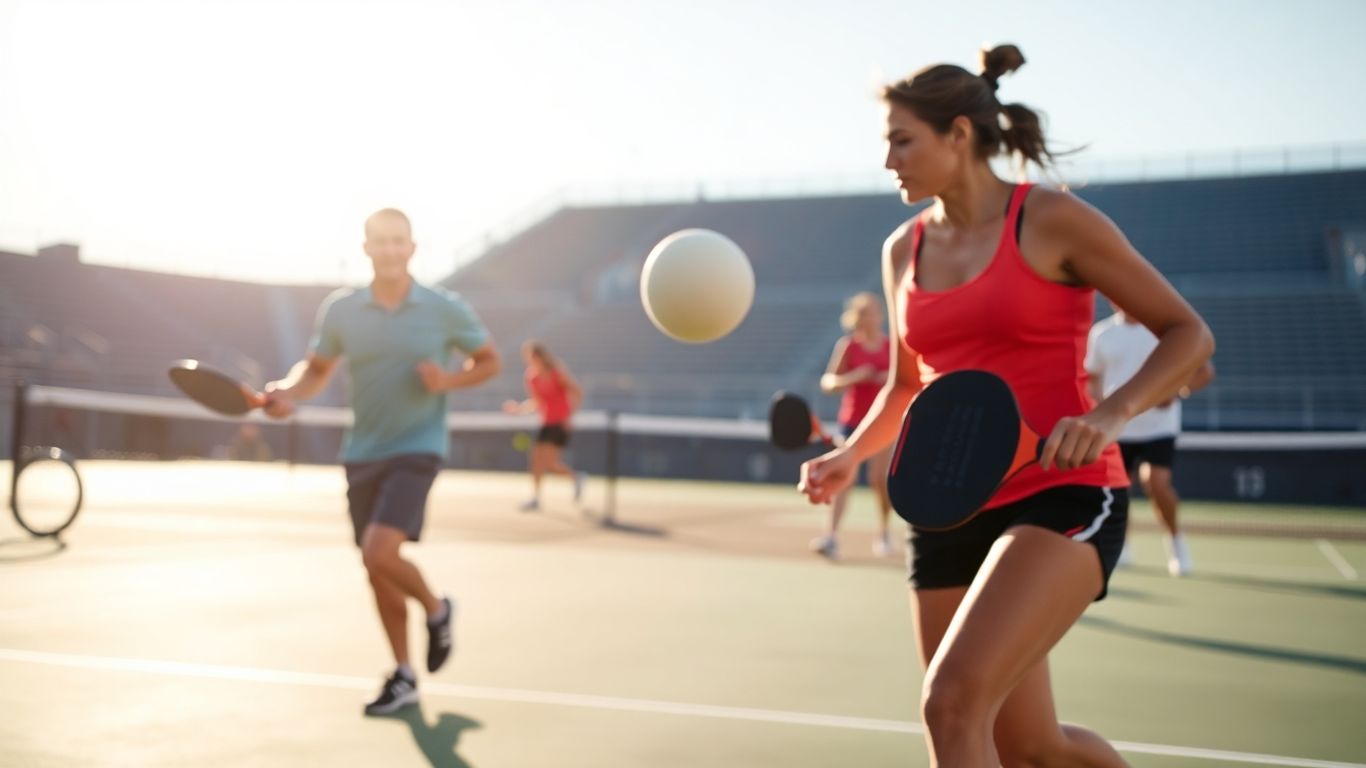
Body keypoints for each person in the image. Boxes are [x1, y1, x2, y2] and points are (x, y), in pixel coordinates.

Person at [797, 45, 1214, 767]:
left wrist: (1108, 416)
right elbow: (906, 386)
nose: (890, 159)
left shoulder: (1052, 221)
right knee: (1027, 746)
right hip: (946, 504)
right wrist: (849, 454)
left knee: (950, 702)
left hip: (1064, 494)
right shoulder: (903, 250)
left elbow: (1189, 335)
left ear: (958, 134)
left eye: (903, 140)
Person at [262, 208, 501, 716]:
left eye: (400, 241)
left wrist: (448, 382)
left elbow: (490, 362)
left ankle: (437, 611)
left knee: (379, 552)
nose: (391, 249)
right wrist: (288, 392)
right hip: (362, 452)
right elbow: (317, 369)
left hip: (418, 449)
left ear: (412, 248)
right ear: (366, 248)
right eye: (381, 241)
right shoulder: (342, 310)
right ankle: (405, 674)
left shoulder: (445, 308)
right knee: (377, 570)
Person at [1087, 309, 1216, 576]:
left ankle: (1176, 542)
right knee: (1118, 490)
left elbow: (1204, 370)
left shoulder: (1163, 330)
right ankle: (1122, 546)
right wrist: (1103, 408)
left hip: (1159, 426)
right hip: (1118, 429)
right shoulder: (1101, 334)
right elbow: (1093, 378)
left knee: (1156, 482)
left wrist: (1179, 390)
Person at [809, 291, 895, 560]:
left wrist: (885, 379)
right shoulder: (848, 346)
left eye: (874, 311)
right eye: (865, 312)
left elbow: (904, 382)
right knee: (842, 478)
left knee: (878, 481)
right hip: (851, 422)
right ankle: (831, 536)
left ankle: (883, 532)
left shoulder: (891, 346)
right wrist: (854, 377)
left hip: (883, 421)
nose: (870, 317)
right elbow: (829, 382)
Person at [502, 340, 587, 511]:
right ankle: (535, 498)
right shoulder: (531, 378)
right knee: (536, 460)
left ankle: (576, 477)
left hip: (560, 423)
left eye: (533, 357)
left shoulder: (556, 373)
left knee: (549, 462)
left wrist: (569, 417)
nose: (530, 360)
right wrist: (518, 409)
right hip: (546, 423)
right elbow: (536, 401)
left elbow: (577, 392)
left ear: (541, 356)